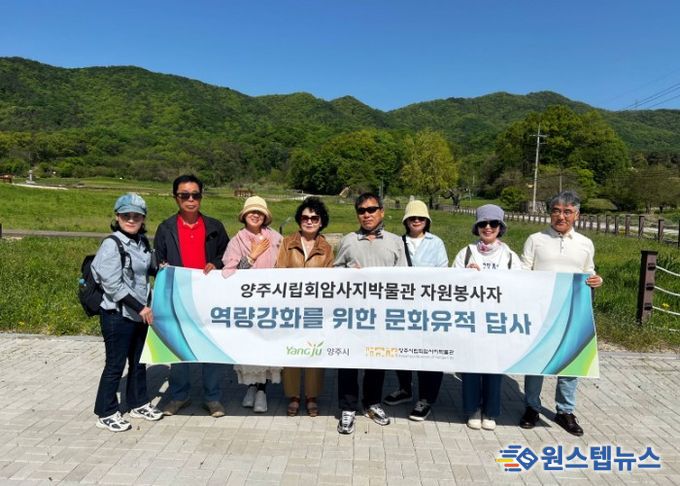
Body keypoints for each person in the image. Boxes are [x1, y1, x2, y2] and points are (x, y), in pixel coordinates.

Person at [519, 191, 603, 436]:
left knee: (571, 361)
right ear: (550, 213)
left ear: (577, 215)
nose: (561, 216)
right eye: (556, 211)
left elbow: (589, 271)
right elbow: (523, 270)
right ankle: (532, 407)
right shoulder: (536, 239)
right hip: (541, 312)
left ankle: (565, 411)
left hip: (573, 312)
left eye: (567, 212)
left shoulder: (585, 243)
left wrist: (596, 279)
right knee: (537, 360)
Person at [154, 174, 230, 418]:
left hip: (209, 297)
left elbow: (227, 255)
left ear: (201, 197)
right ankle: (179, 395)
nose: (190, 200)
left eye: (195, 195)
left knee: (211, 346)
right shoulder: (165, 228)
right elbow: (158, 259)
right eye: (184, 195)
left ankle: (213, 397)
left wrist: (215, 263)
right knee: (180, 347)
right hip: (178, 298)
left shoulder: (215, 227)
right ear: (175, 197)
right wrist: (162, 267)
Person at [334, 192, 407, 434]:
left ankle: (372, 402)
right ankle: (348, 407)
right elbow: (335, 274)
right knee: (348, 361)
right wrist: (348, 274)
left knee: (376, 360)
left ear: (382, 212)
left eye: (372, 209)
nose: (367, 214)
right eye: (362, 211)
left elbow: (404, 278)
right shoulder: (348, 241)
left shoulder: (395, 242)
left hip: (382, 314)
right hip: (352, 314)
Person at [92, 193, 162, 432]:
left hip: (140, 315)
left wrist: (161, 268)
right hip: (118, 315)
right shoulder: (112, 244)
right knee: (115, 364)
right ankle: (106, 412)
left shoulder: (142, 242)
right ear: (117, 216)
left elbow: (145, 270)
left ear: (143, 219)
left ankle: (138, 403)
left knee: (139, 362)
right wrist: (140, 307)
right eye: (126, 215)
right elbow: (113, 285)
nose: (131, 220)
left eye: (137, 216)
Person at [453, 204, 520, 431]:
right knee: (471, 365)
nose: (488, 227)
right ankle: (472, 409)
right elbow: (451, 285)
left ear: (500, 227)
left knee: (494, 367)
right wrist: (465, 275)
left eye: (493, 223)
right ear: (477, 227)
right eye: (483, 223)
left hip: (497, 321)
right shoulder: (466, 253)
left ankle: (491, 411)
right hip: (471, 319)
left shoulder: (509, 256)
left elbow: (521, 286)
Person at [383, 199, 448, 422]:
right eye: (412, 217)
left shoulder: (436, 243)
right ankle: (405, 388)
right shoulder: (397, 242)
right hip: (403, 308)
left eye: (421, 217)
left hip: (429, 309)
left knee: (429, 352)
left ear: (427, 220)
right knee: (402, 349)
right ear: (406, 220)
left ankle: (426, 398)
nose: (416, 221)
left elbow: (443, 274)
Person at [222, 196, 283, 413]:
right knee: (249, 348)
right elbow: (229, 273)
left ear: (265, 216)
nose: (255, 215)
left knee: (266, 347)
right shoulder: (236, 241)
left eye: (259, 212)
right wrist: (252, 256)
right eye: (251, 211)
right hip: (247, 304)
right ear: (244, 215)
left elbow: (285, 268)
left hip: (271, 303)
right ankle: (250, 386)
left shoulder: (277, 239)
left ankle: (262, 390)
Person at [276, 197, 334, 417]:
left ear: (321, 222)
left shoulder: (326, 248)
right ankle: (293, 395)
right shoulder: (287, 243)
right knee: (291, 350)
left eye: (314, 218)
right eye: (305, 217)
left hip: (315, 309)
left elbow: (330, 279)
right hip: (291, 307)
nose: (309, 221)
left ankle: (311, 396)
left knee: (314, 350)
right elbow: (279, 271)